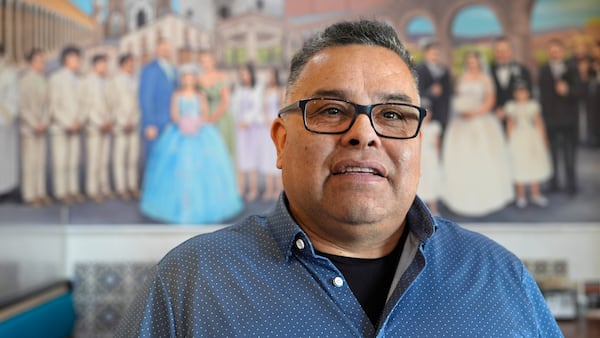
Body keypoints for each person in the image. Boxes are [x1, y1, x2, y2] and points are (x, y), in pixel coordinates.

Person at [117, 20, 561, 337]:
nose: (363, 135)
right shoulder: (187, 287)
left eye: (392, 114)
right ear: (281, 141)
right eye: (331, 111)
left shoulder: (502, 278)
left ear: (419, 143)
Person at [139, 65, 242, 224]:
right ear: (182, 79)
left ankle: (201, 206)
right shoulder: (177, 94)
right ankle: (181, 206)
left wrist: (197, 123)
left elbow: (205, 113)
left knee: (203, 169)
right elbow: (173, 114)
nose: (188, 80)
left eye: (191, 77)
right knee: (177, 170)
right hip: (179, 133)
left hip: (199, 132)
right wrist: (182, 123)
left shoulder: (200, 95)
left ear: (195, 79)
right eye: (185, 77)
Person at [442, 51, 514, 217]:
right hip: (461, 122)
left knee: (483, 156)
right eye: (469, 62)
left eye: (474, 62)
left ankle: (487, 197)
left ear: (479, 63)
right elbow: (458, 98)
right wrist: (461, 109)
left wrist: (474, 113)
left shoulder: (485, 79)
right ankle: (461, 197)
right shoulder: (461, 78)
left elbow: (490, 101)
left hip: (481, 120)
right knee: (462, 158)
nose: (472, 64)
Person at [538, 39, 579, 195]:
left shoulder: (572, 68)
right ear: (548, 52)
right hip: (551, 119)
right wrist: (542, 118)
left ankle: (571, 185)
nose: (554, 53)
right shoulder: (543, 69)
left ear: (562, 51)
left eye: (557, 51)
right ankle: (554, 183)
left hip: (570, 120)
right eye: (551, 51)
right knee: (553, 154)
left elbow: (580, 92)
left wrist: (568, 91)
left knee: (569, 154)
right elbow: (542, 95)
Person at [505, 81, 552, 208]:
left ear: (528, 93)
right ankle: (521, 196)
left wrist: (543, 138)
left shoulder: (533, 105)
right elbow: (510, 124)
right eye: (519, 92)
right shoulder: (511, 107)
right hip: (518, 137)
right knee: (519, 164)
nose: (521, 94)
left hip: (531, 137)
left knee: (533, 163)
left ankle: (535, 194)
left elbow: (538, 122)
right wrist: (509, 140)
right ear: (515, 94)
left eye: (524, 92)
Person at [49, 45, 85, 204]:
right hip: (61, 127)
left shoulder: (80, 80)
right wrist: (68, 123)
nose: (77, 62)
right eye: (74, 59)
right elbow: (53, 106)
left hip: (76, 127)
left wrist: (79, 121)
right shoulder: (55, 79)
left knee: (73, 161)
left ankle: (73, 190)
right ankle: (61, 192)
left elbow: (85, 104)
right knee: (61, 162)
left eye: (78, 59)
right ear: (66, 60)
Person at [19, 48, 51, 206]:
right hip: (29, 129)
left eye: (43, 61)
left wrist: (44, 121)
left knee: (40, 162)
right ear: (31, 63)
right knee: (30, 163)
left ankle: (40, 192)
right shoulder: (24, 81)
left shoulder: (43, 80)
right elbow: (22, 107)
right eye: (39, 61)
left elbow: (47, 104)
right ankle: (30, 195)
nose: (42, 64)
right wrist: (34, 123)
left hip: (42, 127)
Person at [106, 53, 140, 200]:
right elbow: (112, 104)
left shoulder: (136, 80)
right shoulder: (114, 81)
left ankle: (132, 186)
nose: (132, 66)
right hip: (120, 125)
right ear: (122, 65)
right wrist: (122, 121)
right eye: (129, 63)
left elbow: (139, 104)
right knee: (119, 158)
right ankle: (121, 188)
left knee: (132, 158)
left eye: (133, 63)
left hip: (134, 124)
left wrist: (134, 120)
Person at [139, 39, 177, 165]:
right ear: (156, 51)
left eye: (168, 49)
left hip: (172, 122)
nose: (166, 52)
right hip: (156, 124)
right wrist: (149, 123)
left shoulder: (174, 70)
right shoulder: (150, 70)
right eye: (163, 49)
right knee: (155, 159)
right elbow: (146, 98)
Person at [81, 54, 113, 203]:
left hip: (106, 126)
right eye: (102, 64)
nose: (105, 67)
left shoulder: (107, 82)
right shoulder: (87, 82)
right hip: (94, 127)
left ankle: (104, 188)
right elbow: (86, 106)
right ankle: (92, 190)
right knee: (93, 160)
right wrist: (99, 122)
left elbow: (112, 104)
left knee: (104, 160)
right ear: (95, 65)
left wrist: (109, 120)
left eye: (106, 65)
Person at [230, 63, 263, 201]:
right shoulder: (238, 89)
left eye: (246, 73)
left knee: (252, 158)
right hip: (240, 128)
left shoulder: (257, 89)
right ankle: (241, 188)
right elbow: (233, 106)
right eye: (242, 74)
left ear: (251, 74)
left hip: (252, 128)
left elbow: (258, 107)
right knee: (241, 159)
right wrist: (238, 120)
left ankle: (253, 189)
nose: (244, 76)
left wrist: (247, 120)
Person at [197, 50, 236, 160]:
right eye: (203, 61)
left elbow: (225, 101)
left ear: (213, 62)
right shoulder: (198, 79)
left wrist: (212, 119)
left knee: (221, 150)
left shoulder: (221, 76)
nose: (206, 64)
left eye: (208, 61)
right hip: (204, 115)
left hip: (221, 117)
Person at [490, 36, 532, 125]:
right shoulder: (488, 71)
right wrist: (495, 110)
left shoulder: (522, 70)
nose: (502, 54)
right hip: (494, 120)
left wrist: (509, 111)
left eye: (505, 51)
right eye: (498, 51)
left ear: (510, 51)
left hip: (518, 120)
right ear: (494, 52)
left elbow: (529, 95)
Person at [415, 40, 452, 136]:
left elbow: (448, 93)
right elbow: (416, 91)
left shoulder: (444, 70)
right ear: (426, 53)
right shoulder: (418, 69)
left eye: (437, 53)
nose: (435, 56)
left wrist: (446, 114)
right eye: (433, 53)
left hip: (441, 114)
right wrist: (430, 92)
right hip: (426, 113)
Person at [0, 44, 20, 203]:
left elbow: (12, 99)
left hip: (3, 122)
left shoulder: (9, 74)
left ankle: (5, 189)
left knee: (4, 158)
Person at [261, 67, 284, 201]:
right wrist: (266, 120)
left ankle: (278, 189)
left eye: (271, 75)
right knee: (267, 157)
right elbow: (263, 108)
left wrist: (275, 120)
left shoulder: (280, 91)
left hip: (277, 123)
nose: (269, 78)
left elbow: (282, 107)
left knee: (277, 154)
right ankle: (269, 188)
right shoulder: (265, 91)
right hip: (266, 126)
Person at [416, 98, 442, 215]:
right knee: (420, 181)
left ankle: (434, 209)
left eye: (429, 113)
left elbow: (437, 144)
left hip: (430, 157)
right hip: (419, 156)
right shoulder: (416, 127)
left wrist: (438, 158)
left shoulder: (434, 127)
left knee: (431, 180)